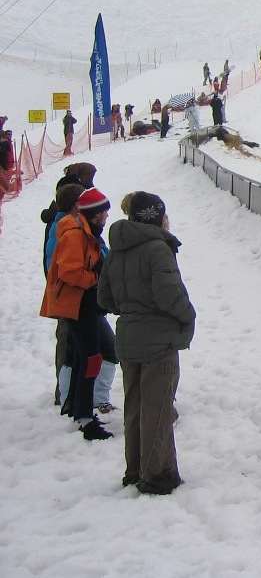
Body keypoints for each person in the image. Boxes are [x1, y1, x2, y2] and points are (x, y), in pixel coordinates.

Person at [96, 192, 194, 495]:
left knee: (135, 405)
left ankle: (135, 468)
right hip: (157, 339)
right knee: (158, 407)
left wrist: (131, 308)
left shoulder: (118, 249)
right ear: (155, 216)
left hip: (129, 337)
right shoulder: (157, 249)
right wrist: (187, 315)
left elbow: (105, 298)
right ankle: (158, 473)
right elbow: (169, 294)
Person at [40, 187, 115, 440]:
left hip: (85, 305)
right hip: (77, 306)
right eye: (104, 213)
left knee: (88, 358)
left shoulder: (86, 232)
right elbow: (69, 272)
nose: (106, 217)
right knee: (90, 358)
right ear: (94, 214)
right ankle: (84, 417)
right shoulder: (75, 235)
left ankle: (80, 410)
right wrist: (95, 279)